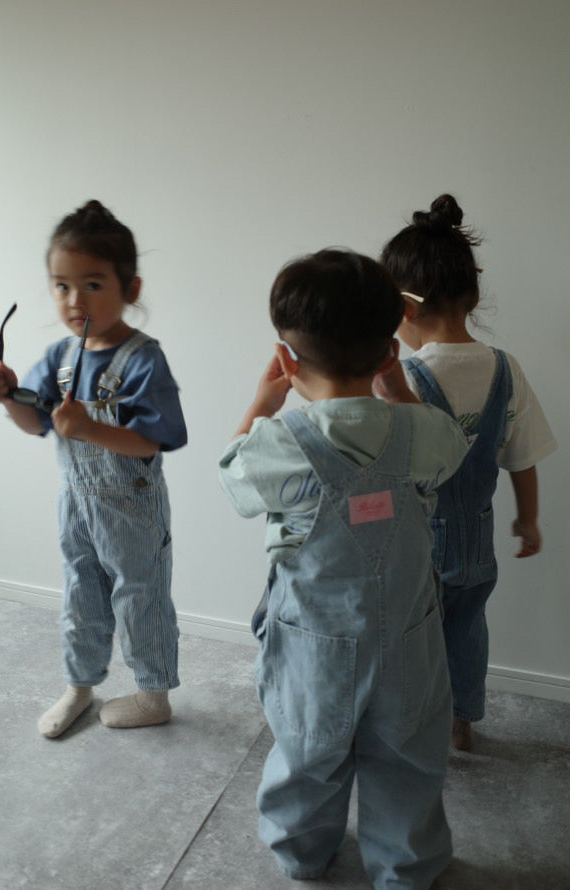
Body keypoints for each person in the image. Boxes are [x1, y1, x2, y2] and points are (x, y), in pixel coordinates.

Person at [219, 249, 470, 888]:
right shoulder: (420, 433)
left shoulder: (280, 442)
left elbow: (234, 478)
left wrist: (260, 404)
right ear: (390, 352)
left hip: (313, 646)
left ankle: (303, 853)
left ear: (286, 360)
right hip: (409, 639)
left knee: (307, 752)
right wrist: (400, 391)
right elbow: (452, 448)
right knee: (409, 759)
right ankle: (405, 868)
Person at [0, 200, 187, 738]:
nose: (75, 300)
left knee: (140, 595)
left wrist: (89, 428)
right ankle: (80, 684)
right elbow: (35, 423)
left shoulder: (143, 359)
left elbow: (155, 440)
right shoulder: (60, 357)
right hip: (75, 500)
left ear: (131, 289)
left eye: (93, 285)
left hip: (131, 506)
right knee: (80, 592)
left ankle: (153, 694)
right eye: (62, 286)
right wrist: (8, 397)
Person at [379, 194, 557, 751]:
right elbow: (522, 455)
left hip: (416, 545)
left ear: (404, 308)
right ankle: (462, 722)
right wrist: (528, 519)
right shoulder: (505, 369)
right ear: (473, 296)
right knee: (467, 629)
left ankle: (416, 727)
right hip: (478, 541)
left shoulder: (404, 376)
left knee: (413, 638)